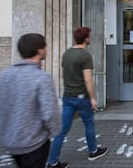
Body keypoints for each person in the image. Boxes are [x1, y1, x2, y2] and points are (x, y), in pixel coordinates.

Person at [0, 33, 61, 168]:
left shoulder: (4, 75)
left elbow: (3, 107)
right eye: (45, 46)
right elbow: (50, 113)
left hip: (10, 141)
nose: (46, 49)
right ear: (40, 50)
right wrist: (55, 131)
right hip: (33, 142)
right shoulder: (42, 78)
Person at [47, 27, 108, 167]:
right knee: (88, 123)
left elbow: (64, 74)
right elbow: (88, 79)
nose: (89, 38)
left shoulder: (66, 54)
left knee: (62, 130)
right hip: (82, 98)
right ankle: (93, 151)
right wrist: (92, 98)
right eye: (89, 36)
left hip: (68, 97)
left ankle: (52, 161)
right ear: (86, 38)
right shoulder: (84, 56)